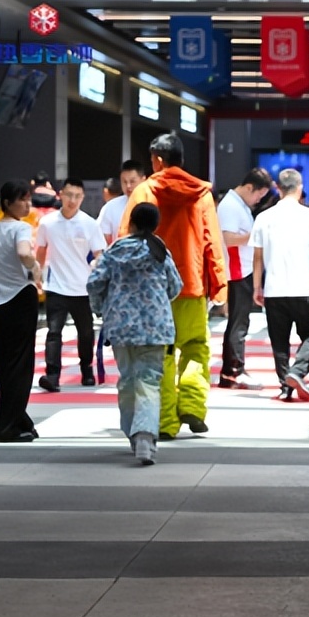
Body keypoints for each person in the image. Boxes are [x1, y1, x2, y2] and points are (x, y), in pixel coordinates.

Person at [118, 133, 228, 440]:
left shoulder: (144, 191)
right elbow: (211, 241)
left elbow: (126, 237)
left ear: (158, 160)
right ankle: (192, 405)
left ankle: (165, 422)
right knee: (195, 346)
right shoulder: (201, 194)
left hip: (153, 291)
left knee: (160, 355)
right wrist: (219, 284)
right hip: (192, 285)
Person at [86, 203, 182, 465]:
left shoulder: (115, 251)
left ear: (131, 223)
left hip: (120, 327)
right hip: (155, 327)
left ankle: (131, 433)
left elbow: (94, 283)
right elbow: (176, 285)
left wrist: (102, 308)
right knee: (149, 381)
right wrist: (159, 302)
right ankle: (145, 437)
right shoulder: (159, 250)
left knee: (128, 380)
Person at [251, 169, 309, 403]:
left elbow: (257, 257)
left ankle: (285, 386)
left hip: (274, 289)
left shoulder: (263, 217)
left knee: (279, 341)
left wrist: (257, 286)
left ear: (278, 188)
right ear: (300, 188)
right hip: (303, 289)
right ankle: (297, 372)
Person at [0, 181, 42, 442]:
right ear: (7, 203)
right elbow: (23, 253)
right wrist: (35, 268)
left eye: (29, 199)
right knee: (21, 366)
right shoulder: (20, 228)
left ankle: (18, 420)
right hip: (21, 298)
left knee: (6, 366)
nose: (28, 204)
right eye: (23, 200)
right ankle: (5, 427)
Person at [34, 176, 107, 392]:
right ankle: (53, 375)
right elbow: (40, 250)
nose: (72, 200)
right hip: (56, 286)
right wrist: (37, 276)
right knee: (53, 332)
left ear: (82, 198)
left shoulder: (89, 224)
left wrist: (97, 271)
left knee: (85, 332)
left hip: (82, 288)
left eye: (77, 196)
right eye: (69, 195)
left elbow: (99, 253)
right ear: (61, 195)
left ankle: (87, 371)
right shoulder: (47, 223)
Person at [216, 167, 273, 390]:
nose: (259, 200)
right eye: (259, 195)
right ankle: (232, 371)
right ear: (250, 187)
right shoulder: (230, 206)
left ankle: (234, 368)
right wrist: (256, 235)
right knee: (237, 324)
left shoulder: (238, 204)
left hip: (242, 270)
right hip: (236, 271)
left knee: (240, 323)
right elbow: (228, 239)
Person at [97, 160, 146, 245]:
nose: (128, 186)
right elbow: (103, 241)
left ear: (143, 180)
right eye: (124, 182)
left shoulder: (154, 204)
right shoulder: (110, 207)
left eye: (132, 181)